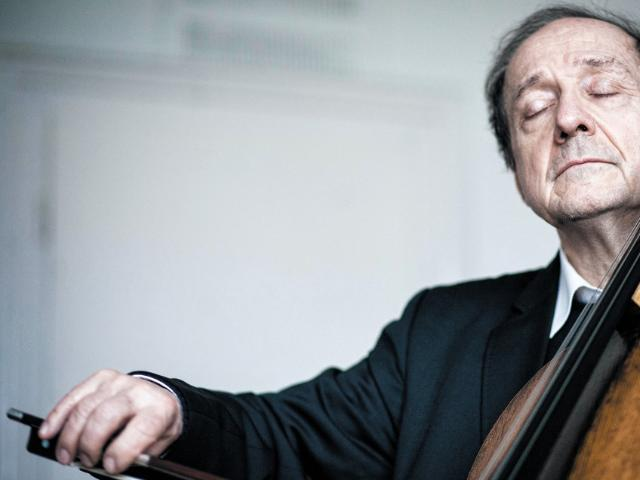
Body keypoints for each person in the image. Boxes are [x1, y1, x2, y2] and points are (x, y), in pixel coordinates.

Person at [38, 5, 640, 479]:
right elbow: (287, 436)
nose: (568, 119)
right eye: (535, 108)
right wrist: (172, 410)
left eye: (605, 89)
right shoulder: (439, 330)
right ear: (516, 166)